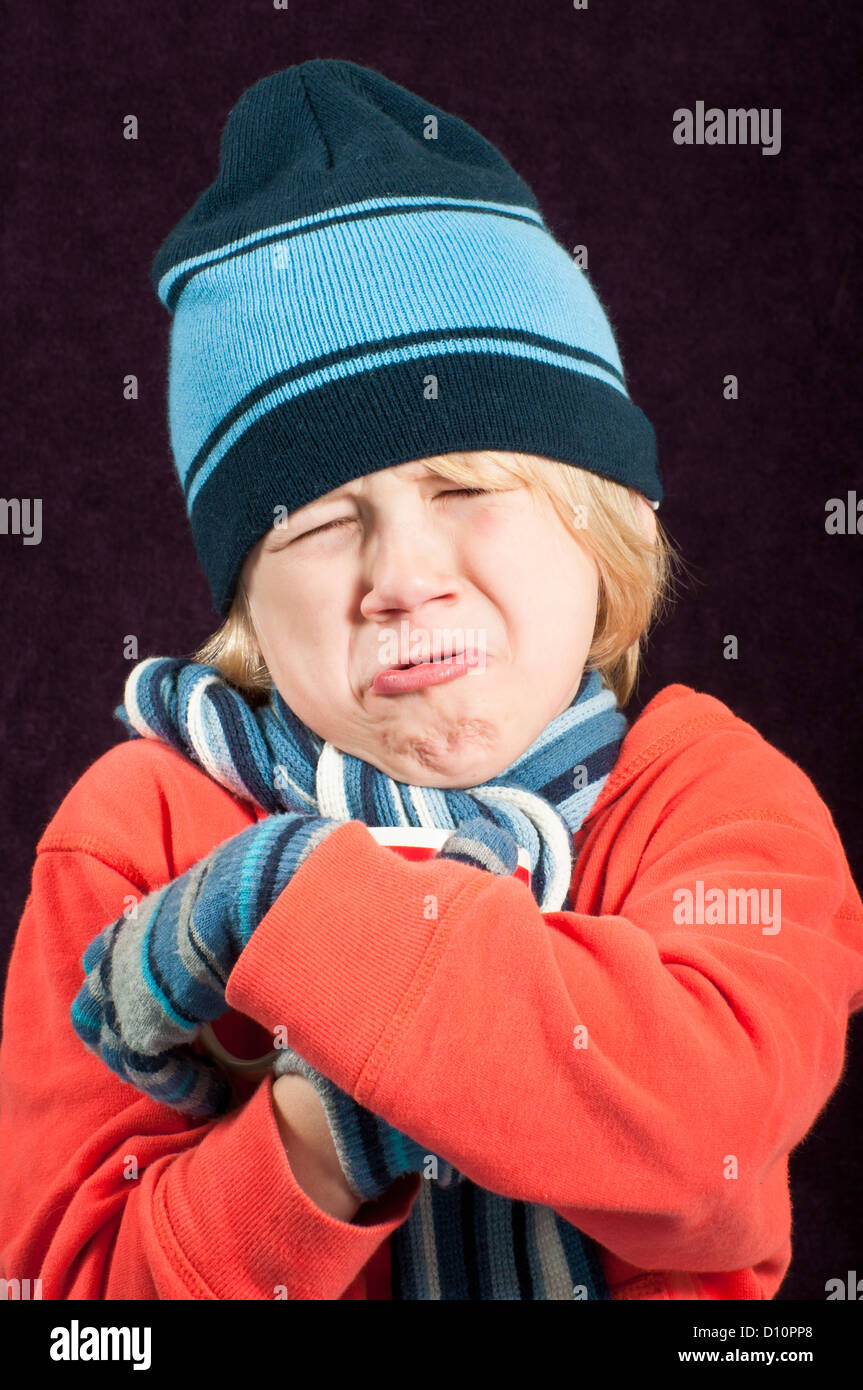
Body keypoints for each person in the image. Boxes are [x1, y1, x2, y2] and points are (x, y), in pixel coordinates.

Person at [1, 58, 861, 1302]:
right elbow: (82, 1322)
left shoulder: (717, 800)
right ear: (247, 602)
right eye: (314, 523)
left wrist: (289, 901)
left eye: (466, 488)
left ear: (603, 519)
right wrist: (335, 1131)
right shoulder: (133, 834)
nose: (401, 576)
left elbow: (698, 1147)